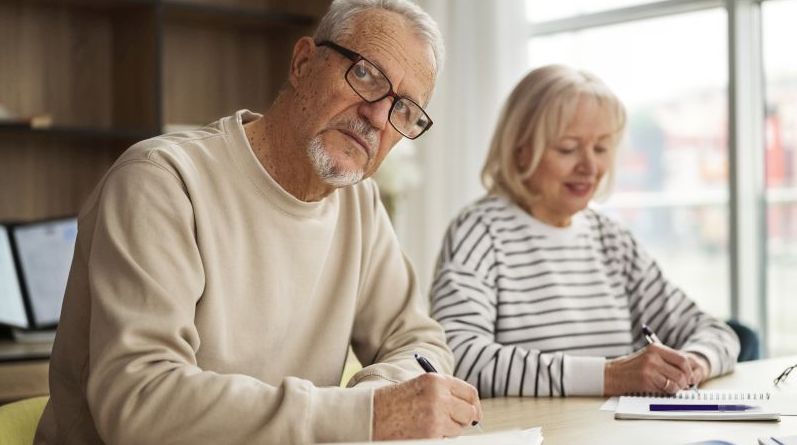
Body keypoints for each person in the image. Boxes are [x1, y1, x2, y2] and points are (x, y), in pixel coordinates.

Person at [34, 1, 482, 443]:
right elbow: (140, 400)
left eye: (403, 109)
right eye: (365, 74)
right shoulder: (162, 181)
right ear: (303, 62)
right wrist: (361, 415)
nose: (378, 117)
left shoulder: (359, 202)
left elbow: (420, 343)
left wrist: (382, 397)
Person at [430, 64, 740, 398]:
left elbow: (715, 332)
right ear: (520, 151)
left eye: (601, 148)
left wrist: (694, 363)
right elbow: (457, 356)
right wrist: (611, 376)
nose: (590, 167)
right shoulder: (480, 232)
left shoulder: (612, 240)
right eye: (567, 148)